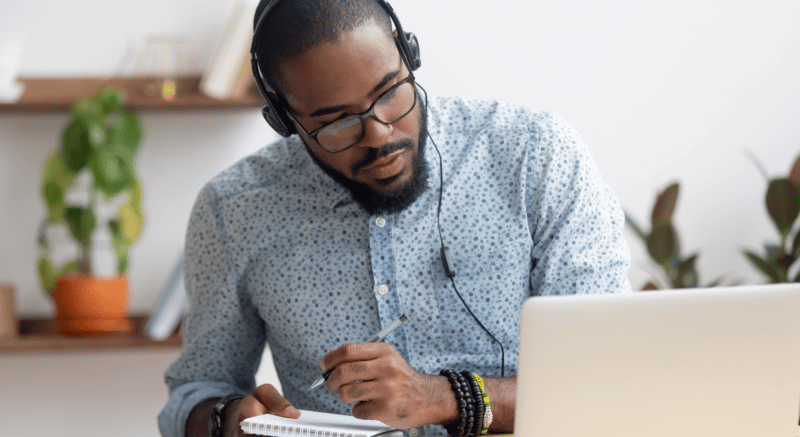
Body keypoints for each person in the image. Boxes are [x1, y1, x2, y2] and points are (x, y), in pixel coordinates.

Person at [158, 0, 631, 436]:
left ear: (409, 56)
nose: (380, 135)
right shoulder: (233, 209)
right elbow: (192, 397)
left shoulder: (535, 155)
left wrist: (444, 397)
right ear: (285, 120)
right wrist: (226, 421)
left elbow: (608, 374)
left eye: (390, 91)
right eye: (336, 121)